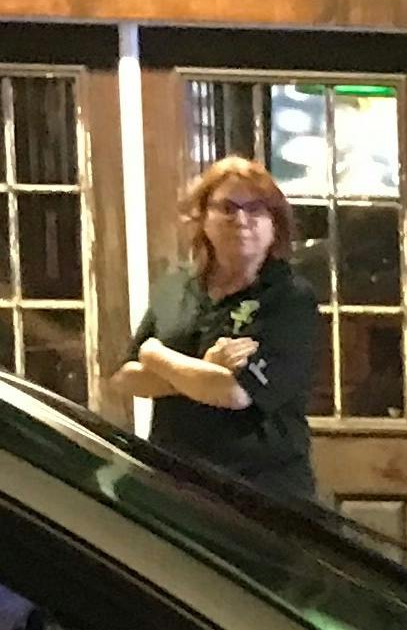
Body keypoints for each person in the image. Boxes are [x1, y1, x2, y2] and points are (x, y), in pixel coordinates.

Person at [113, 156, 322, 509]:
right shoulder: (175, 286)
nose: (241, 219)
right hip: (175, 484)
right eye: (227, 207)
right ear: (202, 217)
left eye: (255, 209)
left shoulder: (290, 298)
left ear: (275, 224)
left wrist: (157, 356)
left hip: (264, 494)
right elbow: (126, 378)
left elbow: (234, 392)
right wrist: (203, 370)